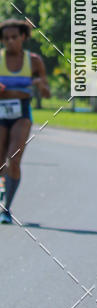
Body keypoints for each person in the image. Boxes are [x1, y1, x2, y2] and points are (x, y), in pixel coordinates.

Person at [0, 18, 50, 224]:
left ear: (23, 37)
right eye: (5, 38)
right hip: (0, 112)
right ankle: (3, 188)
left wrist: (39, 84)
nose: (9, 41)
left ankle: (6, 208)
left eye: (14, 37)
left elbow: (47, 94)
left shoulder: (34, 61)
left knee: (14, 159)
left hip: (22, 113)